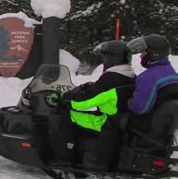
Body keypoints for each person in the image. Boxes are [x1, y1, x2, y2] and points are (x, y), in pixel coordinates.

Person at [50, 40, 136, 168]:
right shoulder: (130, 75)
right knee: (79, 115)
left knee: (67, 116)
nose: (103, 61)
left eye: (104, 58)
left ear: (111, 59)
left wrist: (63, 101)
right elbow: (98, 94)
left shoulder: (110, 78)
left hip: (106, 122)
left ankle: (64, 160)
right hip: (118, 118)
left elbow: (85, 102)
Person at [126, 34, 178, 135]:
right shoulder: (172, 73)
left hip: (150, 125)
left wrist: (128, 102)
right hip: (168, 121)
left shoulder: (147, 77)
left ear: (154, 54)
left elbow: (140, 108)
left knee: (116, 119)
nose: (141, 56)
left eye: (144, 52)